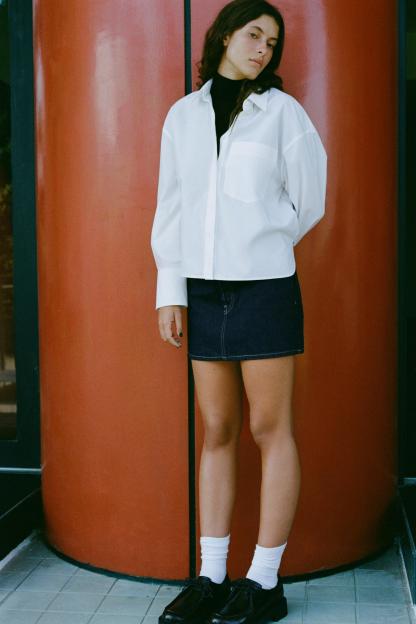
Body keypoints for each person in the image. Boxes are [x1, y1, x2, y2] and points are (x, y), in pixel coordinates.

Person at [150, 0, 327, 622]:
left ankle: (264, 582)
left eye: (272, 43)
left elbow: (309, 201)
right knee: (218, 430)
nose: (262, 50)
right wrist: (170, 290)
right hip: (202, 291)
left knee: (269, 430)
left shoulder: (283, 113)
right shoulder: (183, 116)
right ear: (224, 35)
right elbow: (171, 206)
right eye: (254, 35)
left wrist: (261, 240)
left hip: (265, 289)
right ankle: (212, 575)